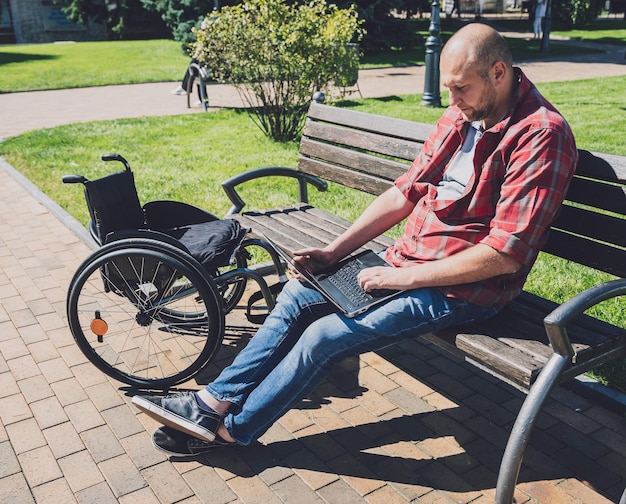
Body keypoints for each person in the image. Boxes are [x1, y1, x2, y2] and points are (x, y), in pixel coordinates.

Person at [132, 23, 578, 456]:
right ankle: (209, 405)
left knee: (325, 336)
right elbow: (406, 191)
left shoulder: (540, 135)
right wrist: (332, 252)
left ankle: (232, 432)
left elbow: (504, 255)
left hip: (463, 288)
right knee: (297, 294)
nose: (451, 99)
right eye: (448, 88)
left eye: (460, 88)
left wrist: (402, 280)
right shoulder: (464, 114)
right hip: (407, 260)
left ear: (498, 73)